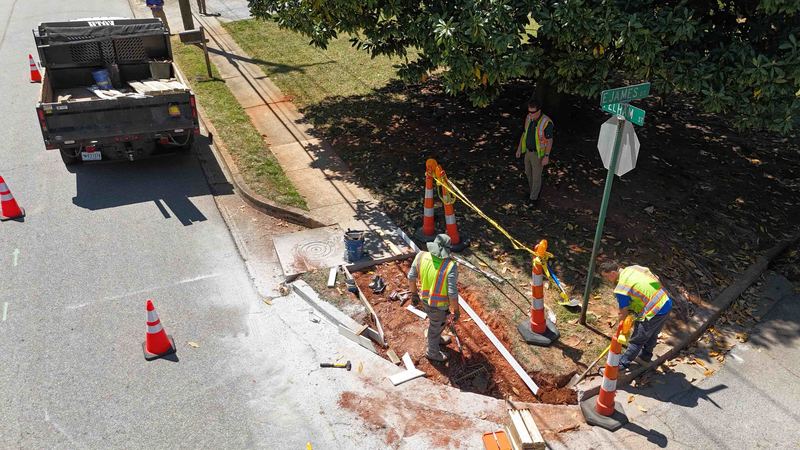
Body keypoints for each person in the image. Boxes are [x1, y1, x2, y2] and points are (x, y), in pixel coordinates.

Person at [407, 234, 461, 362]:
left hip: (424, 299)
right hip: (438, 306)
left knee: (436, 322)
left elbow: (411, 277)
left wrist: (414, 294)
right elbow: (452, 293)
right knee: (435, 326)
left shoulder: (421, 256)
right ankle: (432, 352)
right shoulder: (450, 266)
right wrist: (456, 310)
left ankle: (438, 338)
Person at [608, 265, 673, 370]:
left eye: (606, 277)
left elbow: (623, 312)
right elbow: (655, 278)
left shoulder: (621, 288)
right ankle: (645, 356)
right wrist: (656, 291)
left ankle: (623, 363)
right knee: (652, 334)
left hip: (653, 311)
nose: (606, 280)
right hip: (665, 302)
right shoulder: (633, 268)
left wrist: (621, 328)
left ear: (612, 273)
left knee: (637, 339)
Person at [515, 99, 554, 204]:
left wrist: (546, 156)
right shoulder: (528, 118)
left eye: (533, 112)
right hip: (527, 152)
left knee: (536, 176)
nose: (530, 114)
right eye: (529, 112)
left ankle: (533, 199)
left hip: (538, 154)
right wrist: (519, 149)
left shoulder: (546, 122)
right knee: (528, 173)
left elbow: (549, 140)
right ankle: (533, 192)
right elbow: (524, 133)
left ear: (539, 111)